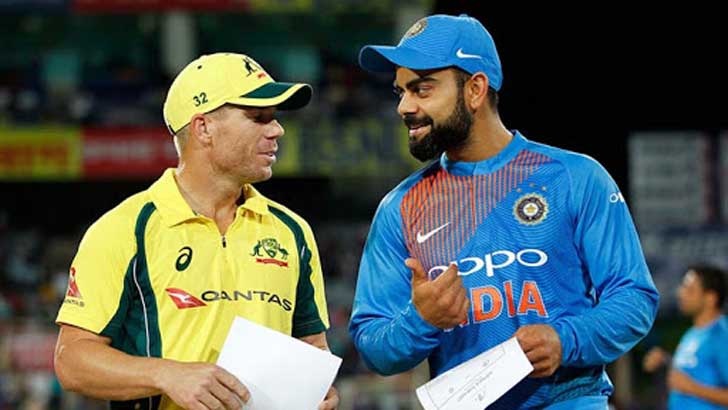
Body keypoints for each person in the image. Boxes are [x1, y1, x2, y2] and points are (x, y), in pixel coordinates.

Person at [348, 14, 659, 409]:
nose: (404, 107)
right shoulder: (399, 208)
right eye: (400, 92)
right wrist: (420, 320)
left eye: (422, 89)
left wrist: (565, 340)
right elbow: (373, 345)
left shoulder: (574, 177)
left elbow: (634, 299)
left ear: (475, 89)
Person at [54, 52, 339, 410]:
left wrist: (318, 391)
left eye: (275, 118)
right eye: (258, 117)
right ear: (203, 128)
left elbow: (311, 344)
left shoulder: (292, 231)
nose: (277, 129)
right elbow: (72, 361)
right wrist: (168, 375)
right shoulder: (125, 229)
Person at [643, 265, 728, 409]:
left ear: (710, 298)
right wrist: (665, 361)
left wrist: (693, 388)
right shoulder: (692, 334)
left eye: (689, 290)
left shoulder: (721, 336)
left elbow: (686, 384)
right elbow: (696, 369)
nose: (680, 293)